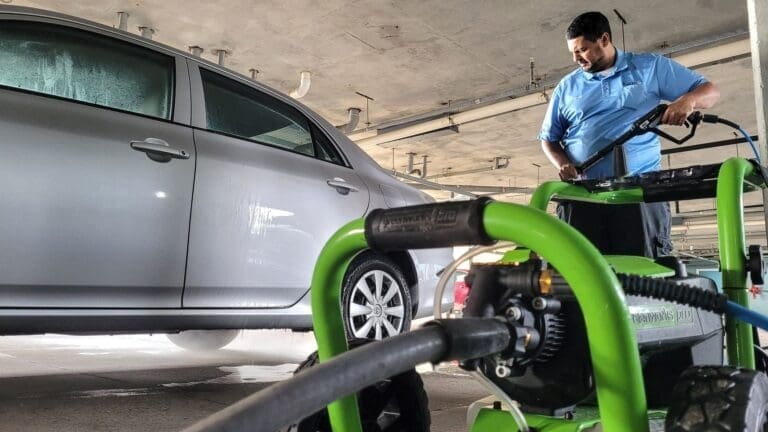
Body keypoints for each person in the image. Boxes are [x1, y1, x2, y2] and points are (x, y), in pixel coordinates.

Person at [538, 11, 720, 258]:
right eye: (573, 52)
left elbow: (709, 91)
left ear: (604, 39)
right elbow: (549, 138)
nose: (576, 58)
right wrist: (564, 163)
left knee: (642, 277)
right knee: (579, 274)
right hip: (583, 197)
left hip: (637, 193)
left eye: (582, 50)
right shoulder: (567, 86)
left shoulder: (649, 68)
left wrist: (687, 101)